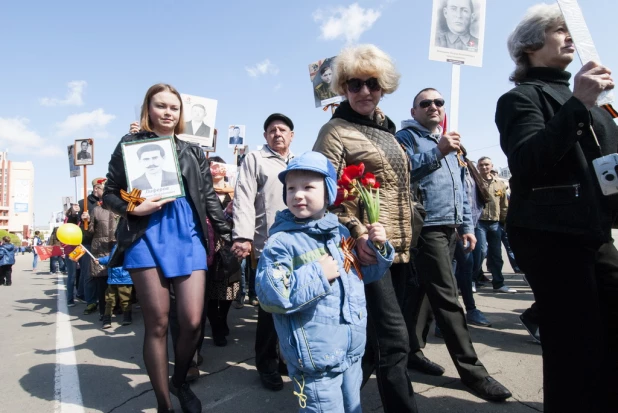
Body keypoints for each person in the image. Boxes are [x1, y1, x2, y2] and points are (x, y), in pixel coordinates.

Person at [495, 4, 618, 412]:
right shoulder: (519, 99)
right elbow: (528, 162)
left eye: (569, 30)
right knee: (575, 348)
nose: (569, 36)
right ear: (531, 44)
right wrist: (579, 103)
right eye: (557, 30)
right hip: (552, 236)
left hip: (594, 230)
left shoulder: (593, 99)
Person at [103, 83, 231, 413]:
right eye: (161, 106)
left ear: (180, 114)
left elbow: (208, 199)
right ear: (149, 109)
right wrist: (136, 205)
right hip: (146, 235)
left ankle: (179, 380)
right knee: (157, 323)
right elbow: (110, 194)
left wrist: (229, 235)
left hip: (187, 234)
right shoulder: (129, 144)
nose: (168, 112)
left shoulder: (193, 151)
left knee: (191, 321)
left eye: (173, 108)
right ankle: (164, 403)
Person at [313, 44, 418, 413]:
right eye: (355, 84)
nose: (364, 92)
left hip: (400, 246)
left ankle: (333, 403)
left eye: (372, 84)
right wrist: (358, 232)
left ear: (384, 86)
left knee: (375, 344)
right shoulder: (334, 130)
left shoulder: (390, 132)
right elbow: (325, 194)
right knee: (394, 343)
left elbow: (400, 188)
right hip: (366, 252)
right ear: (343, 88)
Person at [396, 87, 512, 401]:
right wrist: (438, 152)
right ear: (415, 109)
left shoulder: (452, 142)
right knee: (448, 298)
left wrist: (465, 226)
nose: (434, 106)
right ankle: (473, 372)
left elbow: (460, 187)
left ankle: (411, 351)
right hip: (425, 228)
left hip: (450, 229)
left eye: (439, 101)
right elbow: (401, 172)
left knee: (421, 294)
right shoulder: (406, 137)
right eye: (426, 102)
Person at [257, 151, 394, 413]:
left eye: (308, 187)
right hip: (314, 363)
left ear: (329, 193)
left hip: (350, 353)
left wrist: (379, 249)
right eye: (291, 188)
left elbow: (363, 276)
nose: (298, 194)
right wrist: (318, 273)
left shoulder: (340, 233)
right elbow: (270, 296)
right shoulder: (281, 242)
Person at [231, 112, 295, 392]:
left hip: (299, 244)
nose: (277, 133)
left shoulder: (300, 161)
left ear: (292, 135)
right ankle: (266, 362)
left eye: (282, 129)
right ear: (265, 136)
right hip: (267, 244)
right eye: (271, 130)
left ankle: (286, 357)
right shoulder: (255, 159)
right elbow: (243, 196)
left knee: (295, 303)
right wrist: (243, 237)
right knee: (271, 306)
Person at [475, 156, 516, 293]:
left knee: (496, 255)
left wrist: (504, 223)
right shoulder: (474, 181)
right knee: (481, 251)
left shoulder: (499, 184)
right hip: (479, 223)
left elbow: (504, 205)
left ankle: (498, 283)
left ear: (492, 166)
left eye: (486, 165)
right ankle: (473, 280)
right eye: (481, 165)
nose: (484, 167)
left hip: (495, 223)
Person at [85, 182, 118, 322]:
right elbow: (89, 233)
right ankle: (104, 312)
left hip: (117, 247)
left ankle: (119, 309)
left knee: (119, 281)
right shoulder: (96, 210)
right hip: (100, 249)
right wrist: (86, 222)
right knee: (102, 282)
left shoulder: (119, 208)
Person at [80, 178, 106, 315]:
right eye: (101, 186)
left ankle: (110, 304)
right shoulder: (83, 204)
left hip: (107, 243)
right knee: (90, 274)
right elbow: (77, 224)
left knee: (107, 274)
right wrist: (77, 215)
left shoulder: (111, 202)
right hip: (89, 243)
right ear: (95, 188)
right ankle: (91, 302)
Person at [98, 245, 133, 329]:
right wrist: (100, 260)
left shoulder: (127, 246)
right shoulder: (116, 246)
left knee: (125, 299)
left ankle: (127, 316)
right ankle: (107, 319)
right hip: (113, 279)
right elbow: (111, 258)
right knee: (109, 299)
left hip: (123, 278)